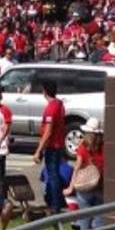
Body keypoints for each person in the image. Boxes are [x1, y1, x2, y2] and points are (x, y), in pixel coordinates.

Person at [64, 118, 105, 230]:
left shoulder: (83, 147)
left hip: (85, 188)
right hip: (100, 187)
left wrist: (71, 187)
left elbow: (77, 168)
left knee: (84, 221)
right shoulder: (104, 146)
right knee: (100, 221)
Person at [32, 80, 66, 213]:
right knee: (54, 173)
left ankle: (55, 205)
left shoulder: (51, 107)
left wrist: (38, 150)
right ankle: (54, 200)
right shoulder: (59, 104)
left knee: (53, 175)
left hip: (53, 146)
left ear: (44, 91)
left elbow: (48, 131)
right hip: (58, 144)